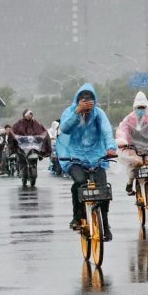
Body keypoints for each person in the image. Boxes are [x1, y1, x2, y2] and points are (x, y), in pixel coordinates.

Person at [57, 83, 118, 240]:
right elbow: (65, 128)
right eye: (83, 100)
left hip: (96, 156)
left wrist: (111, 148)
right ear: (78, 100)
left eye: (90, 99)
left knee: (103, 191)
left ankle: (104, 224)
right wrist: (77, 112)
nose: (87, 102)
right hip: (74, 156)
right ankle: (77, 217)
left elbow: (106, 131)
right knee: (80, 182)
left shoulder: (99, 114)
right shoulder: (70, 112)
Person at [115, 92, 148, 217]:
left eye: (143, 107)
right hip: (132, 148)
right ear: (134, 108)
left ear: (147, 107)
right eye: (138, 107)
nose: (141, 110)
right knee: (136, 164)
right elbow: (122, 131)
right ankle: (130, 183)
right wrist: (122, 142)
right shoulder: (129, 119)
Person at [10, 109, 52, 175]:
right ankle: (22, 170)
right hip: (22, 145)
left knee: (36, 152)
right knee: (22, 158)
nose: (29, 116)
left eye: (30, 114)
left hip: (33, 145)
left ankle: (33, 165)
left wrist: (42, 136)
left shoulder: (35, 123)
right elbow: (13, 131)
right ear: (24, 115)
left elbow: (42, 131)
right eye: (28, 114)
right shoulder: (19, 123)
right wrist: (17, 137)